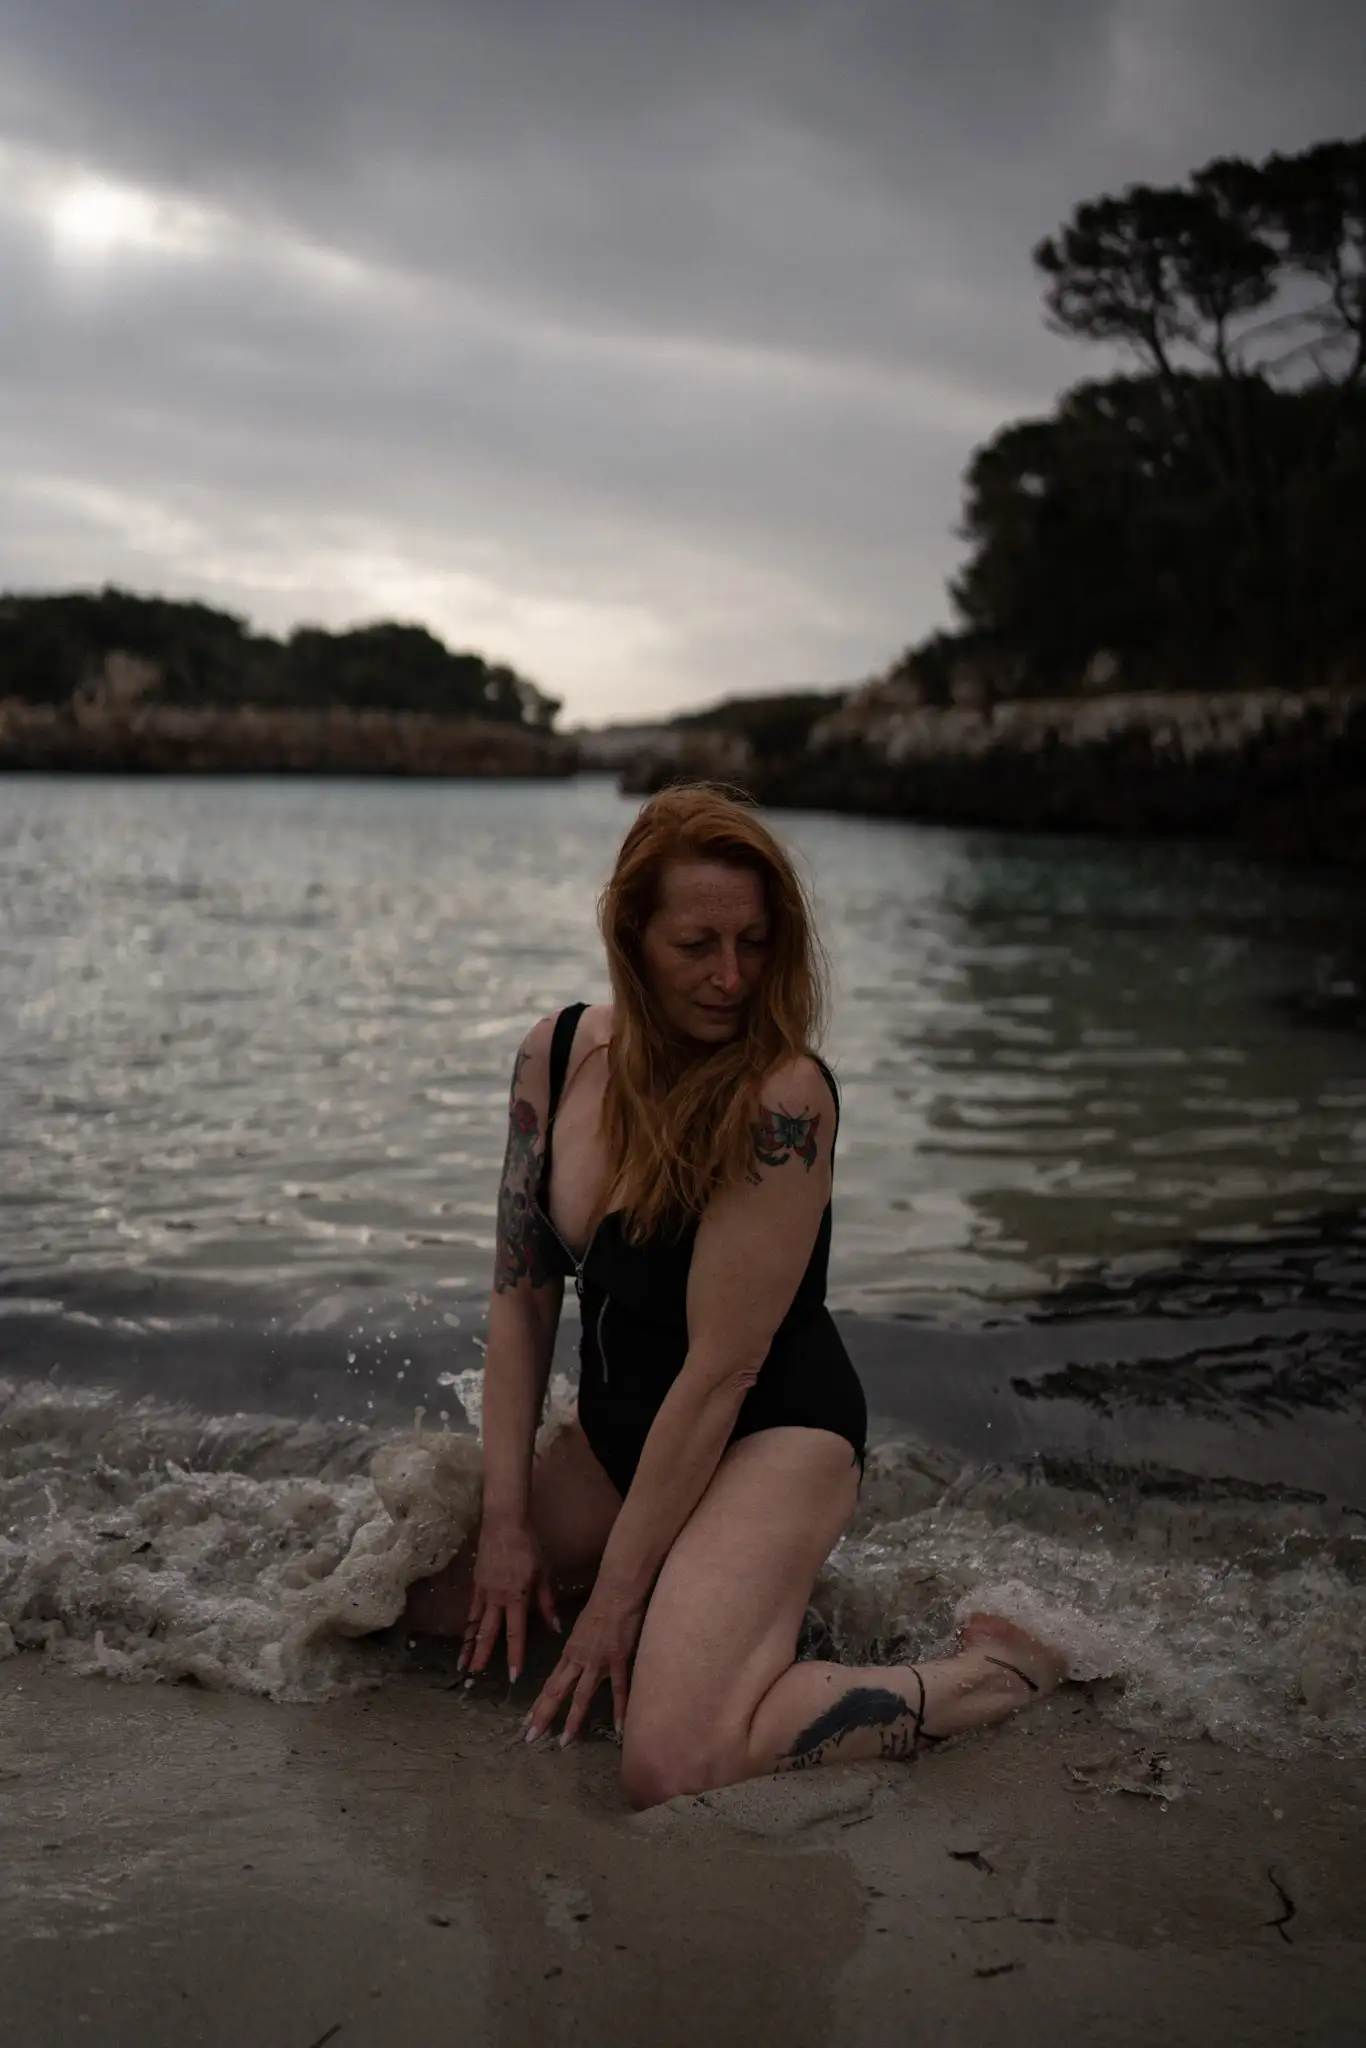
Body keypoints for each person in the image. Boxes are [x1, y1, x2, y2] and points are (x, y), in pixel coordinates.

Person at [403, 784, 1064, 1806]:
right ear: (631, 937)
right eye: (696, 944)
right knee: (410, 1617)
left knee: (672, 1763)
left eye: (755, 944)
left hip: (766, 1432)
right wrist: (506, 1524)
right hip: (623, 1436)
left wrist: (615, 1601)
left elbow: (721, 1370)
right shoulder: (559, 1053)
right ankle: (702, 1603)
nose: (730, 977)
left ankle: (992, 1673)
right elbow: (521, 1301)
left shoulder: (780, 1099)